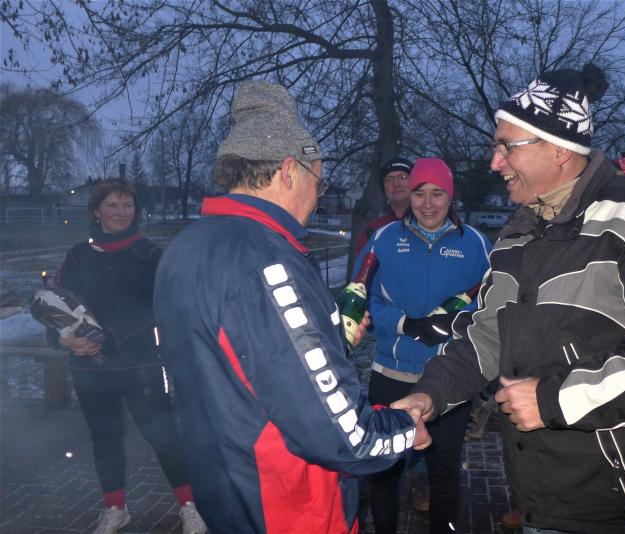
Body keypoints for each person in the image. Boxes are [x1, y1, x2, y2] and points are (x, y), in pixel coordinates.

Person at [394, 64, 625, 534]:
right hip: (541, 495)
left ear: (557, 149)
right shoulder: (518, 233)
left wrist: (554, 400)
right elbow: (486, 336)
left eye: (506, 146)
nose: (494, 163)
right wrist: (428, 394)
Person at [153, 81, 421, 534]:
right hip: (286, 504)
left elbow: (245, 364)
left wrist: (329, 339)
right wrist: (406, 430)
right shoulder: (266, 260)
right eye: (319, 180)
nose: (318, 196)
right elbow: (343, 437)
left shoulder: (185, 247)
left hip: (224, 485)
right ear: (289, 171)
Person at [56, 178, 206, 534]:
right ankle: (115, 509)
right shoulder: (77, 256)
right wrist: (66, 339)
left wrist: (111, 339)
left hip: (141, 366)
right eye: (112, 205)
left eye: (127, 205)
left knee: (163, 435)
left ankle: (189, 506)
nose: (121, 212)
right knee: (104, 438)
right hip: (90, 368)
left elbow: (160, 309)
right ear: (96, 211)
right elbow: (59, 306)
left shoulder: (149, 255)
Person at [354, 157, 491, 533]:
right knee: (385, 470)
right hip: (391, 374)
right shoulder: (384, 239)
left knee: (443, 474)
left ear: (451, 196)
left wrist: (457, 320)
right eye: (419, 193)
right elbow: (362, 296)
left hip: (449, 378)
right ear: (409, 195)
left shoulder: (476, 244)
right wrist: (404, 323)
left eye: (437, 193)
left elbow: (492, 303)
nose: (428, 204)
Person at [354, 156, 413, 256]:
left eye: (403, 177)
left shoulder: (430, 225)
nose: (395, 184)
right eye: (388, 179)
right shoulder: (373, 230)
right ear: (384, 189)